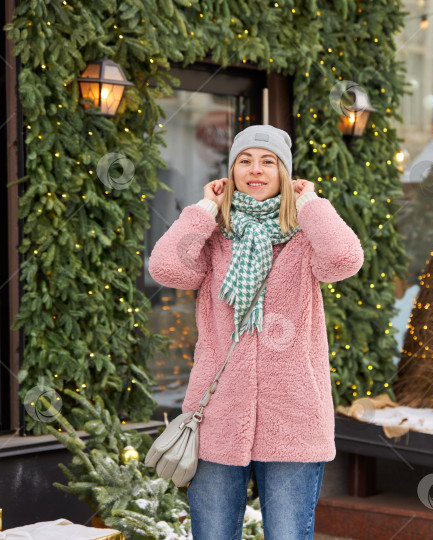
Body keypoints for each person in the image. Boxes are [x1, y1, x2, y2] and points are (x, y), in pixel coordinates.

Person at [148, 124, 364, 539]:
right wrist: (204, 210)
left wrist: (311, 204)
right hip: (217, 417)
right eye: (244, 161)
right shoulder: (214, 239)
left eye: (268, 161)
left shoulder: (306, 237)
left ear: (285, 172)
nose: (255, 169)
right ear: (230, 173)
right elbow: (166, 268)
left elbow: (343, 260)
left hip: (294, 416)